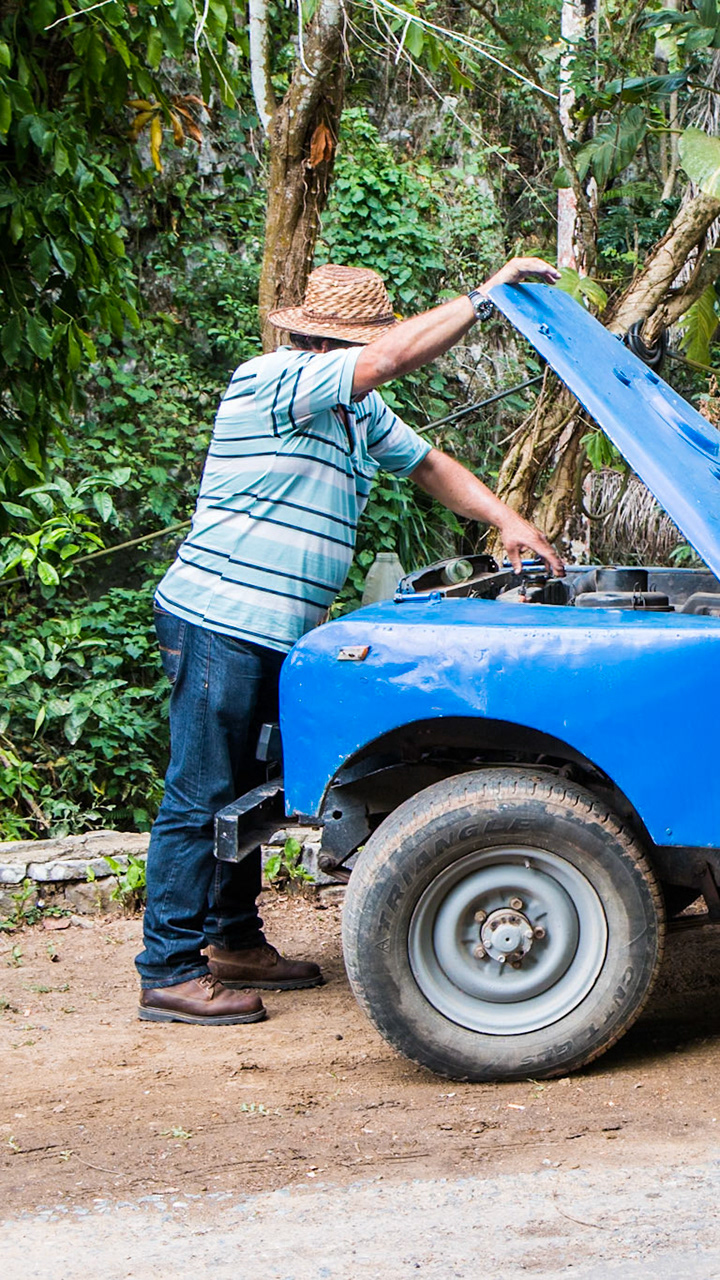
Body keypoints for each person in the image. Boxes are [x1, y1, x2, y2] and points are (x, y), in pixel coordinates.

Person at [136, 258, 565, 1025]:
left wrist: (507, 520)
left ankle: (232, 939)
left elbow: (430, 463)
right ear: (330, 341)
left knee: (248, 795)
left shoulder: (355, 415)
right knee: (200, 792)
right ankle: (167, 967)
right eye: (367, 345)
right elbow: (389, 360)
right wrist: (485, 297)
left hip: (281, 631)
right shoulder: (273, 378)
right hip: (218, 620)